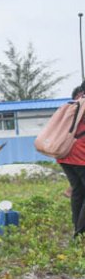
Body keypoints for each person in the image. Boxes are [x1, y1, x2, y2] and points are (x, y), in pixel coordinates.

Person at [58, 81, 85, 236]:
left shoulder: (75, 101)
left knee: (78, 191)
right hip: (80, 155)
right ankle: (80, 233)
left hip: (65, 153)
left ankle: (78, 230)